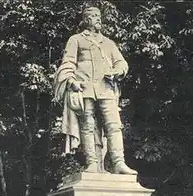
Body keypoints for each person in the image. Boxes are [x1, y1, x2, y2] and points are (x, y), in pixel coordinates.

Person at [53, 6, 136, 175]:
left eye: (99, 16)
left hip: (106, 89)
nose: (98, 19)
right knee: (87, 125)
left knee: (114, 125)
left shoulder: (108, 43)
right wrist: (70, 81)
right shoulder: (76, 39)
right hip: (85, 89)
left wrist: (117, 71)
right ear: (85, 20)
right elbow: (67, 63)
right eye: (93, 16)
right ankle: (92, 162)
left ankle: (118, 162)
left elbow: (122, 63)